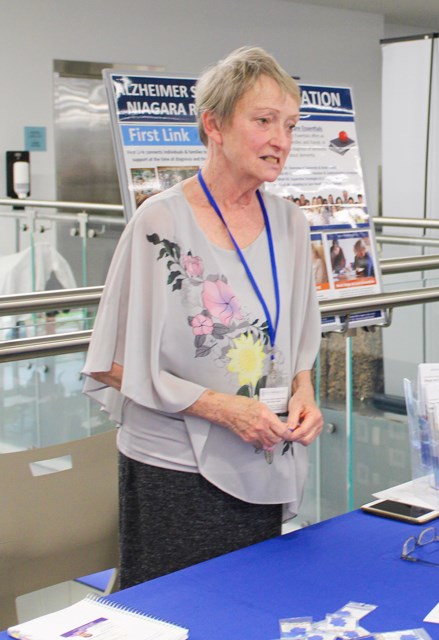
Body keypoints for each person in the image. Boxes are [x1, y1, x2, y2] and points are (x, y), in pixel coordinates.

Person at [81, 47, 324, 589]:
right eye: (263, 121)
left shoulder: (290, 222)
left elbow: (298, 340)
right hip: (173, 469)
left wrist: (304, 392)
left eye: (288, 124)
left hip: (262, 455)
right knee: (173, 611)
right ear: (213, 124)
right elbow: (112, 363)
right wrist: (220, 408)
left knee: (251, 605)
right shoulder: (160, 220)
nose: (280, 140)